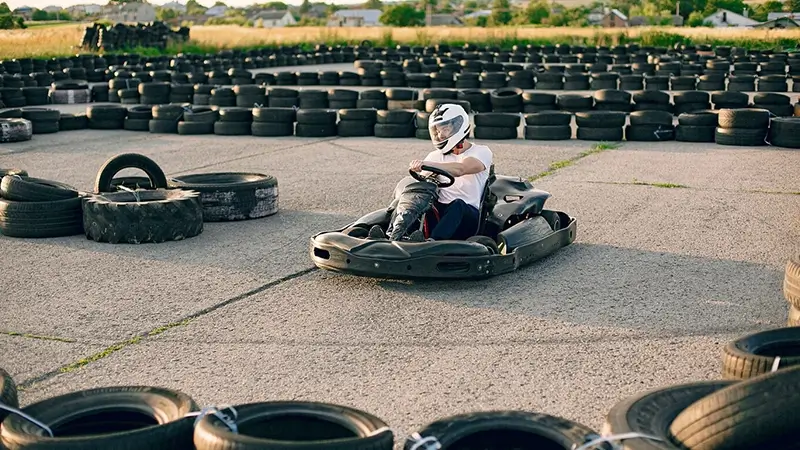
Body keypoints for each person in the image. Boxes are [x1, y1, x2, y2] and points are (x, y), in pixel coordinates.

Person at [369, 103, 493, 242]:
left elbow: (460, 169)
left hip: (467, 218)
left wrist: (426, 164)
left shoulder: (481, 152)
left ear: (458, 126)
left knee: (458, 204)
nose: (440, 135)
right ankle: (391, 235)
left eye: (445, 129)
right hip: (439, 213)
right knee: (410, 197)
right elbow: (422, 185)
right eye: (438, 131)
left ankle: (432, 242)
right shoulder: (435, 156)